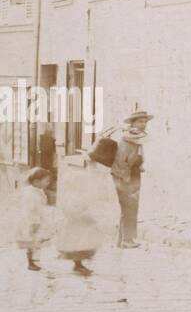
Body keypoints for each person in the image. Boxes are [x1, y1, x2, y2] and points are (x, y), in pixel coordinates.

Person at [55, 154, 115, 277]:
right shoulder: (72, 197)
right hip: (76, 225)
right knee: (78, 245)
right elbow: (70, 210)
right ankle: (78, 265)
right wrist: (82, 214)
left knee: (84, 243)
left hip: (81, 225)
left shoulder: (79, 195)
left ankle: (79, 264)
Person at [111, 109, 151, 248]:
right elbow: (121, 161)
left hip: (131, 174)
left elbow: (135, 156)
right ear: (133, 123)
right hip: (125, 176)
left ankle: (121, 240)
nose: (144, 124)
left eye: (145, 121)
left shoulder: (136, 138)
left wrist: (139, 166)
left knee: (127, 208)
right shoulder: (129, 137)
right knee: (130, 207)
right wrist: (125, 177)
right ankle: (127, 240)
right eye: (140, 121)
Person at [16, 167, 55, 271]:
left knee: (36, 242)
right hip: (32, 221)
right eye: (46, 181)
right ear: (37, 181)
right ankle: (31, 262)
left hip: (38, 219)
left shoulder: (38, 191)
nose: (48, 183)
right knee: (31, 242)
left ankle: (34, 261)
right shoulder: (31, 194)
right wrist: (34, 222)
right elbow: (29, 210)